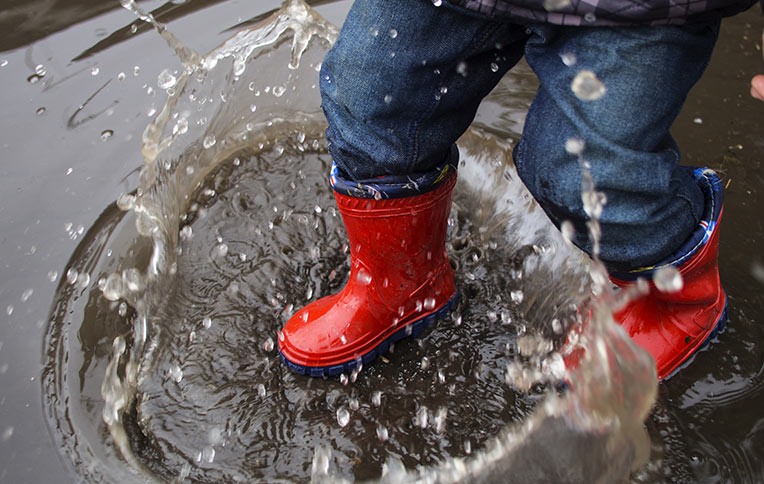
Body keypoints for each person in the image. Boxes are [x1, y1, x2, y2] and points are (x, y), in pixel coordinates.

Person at [277, 0, 760, 379]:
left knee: (585, 176)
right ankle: (399, 285)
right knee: (368, 104)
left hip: (638, 10)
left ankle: (674, 302)